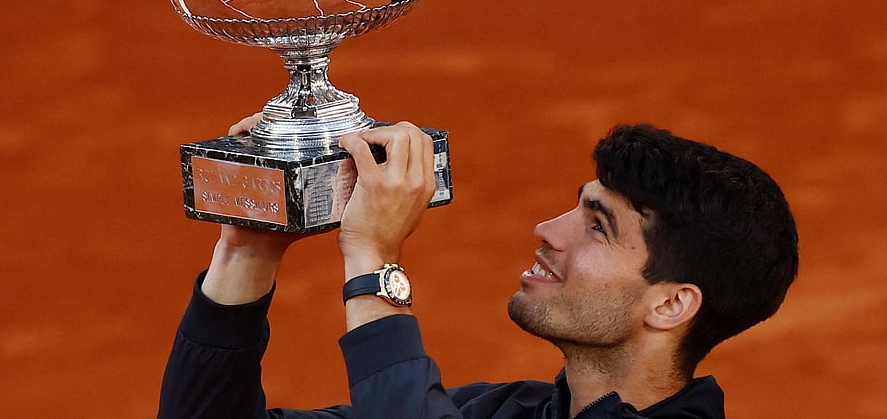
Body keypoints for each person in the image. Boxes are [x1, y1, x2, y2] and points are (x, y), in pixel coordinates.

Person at [158, 117, 799, 418]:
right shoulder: (502, 414)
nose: (548, 232)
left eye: (598, 227)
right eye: (575, 209)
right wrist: (248, 250)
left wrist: (374, 263)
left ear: (670, 304)